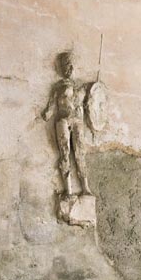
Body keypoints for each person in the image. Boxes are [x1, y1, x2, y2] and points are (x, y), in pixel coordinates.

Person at [42, 52, 91, 197]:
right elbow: (50, 109)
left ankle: (85, 187)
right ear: (62, 68)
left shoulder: (81, 87)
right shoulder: (58, 87)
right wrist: (46, 114)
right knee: (65, 153)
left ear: (74, 67)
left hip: (77, 121)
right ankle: (68, 190)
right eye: (66, 66)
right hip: (63, 120)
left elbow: (89, 104)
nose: (69, 69)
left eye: (71, 66)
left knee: (80, 153)